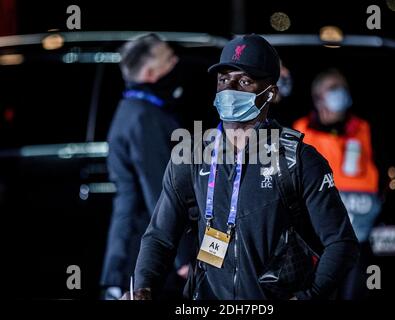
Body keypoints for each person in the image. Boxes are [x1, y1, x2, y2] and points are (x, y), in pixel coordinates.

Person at [123, 34, 359, 300]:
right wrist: (143, 289)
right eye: (224, 79)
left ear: (269, 93)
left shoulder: (298, 160)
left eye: (244, 81)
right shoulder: (191, 156)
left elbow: (342, 243)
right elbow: (159, 237)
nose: (230, 89)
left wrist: (309, 296)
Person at [100, 33, 193, 299]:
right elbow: (159, 189)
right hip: (143, 253)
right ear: (151, 72)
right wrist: (183, 256)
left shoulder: (131, 109)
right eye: (169, 59)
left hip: (131, 249)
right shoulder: (144, 118)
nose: (175, 62)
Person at [293, 69, 382, 299]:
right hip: (318, 234)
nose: (339, 93)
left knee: (356, 291)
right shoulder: (301, 130)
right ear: (318, 96)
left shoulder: (363, 129)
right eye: (333, 88)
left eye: (342, 88)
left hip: (358, 233)